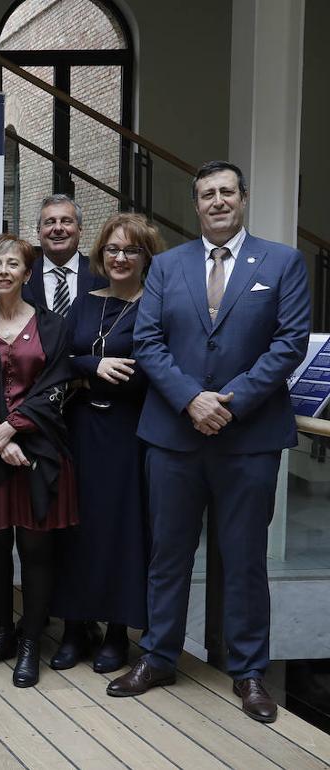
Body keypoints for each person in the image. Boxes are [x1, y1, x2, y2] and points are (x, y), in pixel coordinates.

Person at [108, 161, 310, 724]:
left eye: (226, 192)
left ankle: (248, 671)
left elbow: (289, 342)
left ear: (242, 199)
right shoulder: (167, 266)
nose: (217, 201)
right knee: (167, 554)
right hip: (174, 434)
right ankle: (159, 656)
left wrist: (230, 402)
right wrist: (191, 400)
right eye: (207, 194)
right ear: (196, 205)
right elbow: (147, 341)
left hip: (249, 438)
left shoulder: (282, 262)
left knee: (244, 559)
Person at [0, 233, 77, 689]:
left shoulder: (54, 327)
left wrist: (14, 427)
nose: (3, 271)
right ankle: (2, 632)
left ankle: (29, 642)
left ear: (28, 272)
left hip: (37, 454)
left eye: (12, 264)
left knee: (36, 550)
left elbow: (58, 386)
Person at [49, 214, 164, 673]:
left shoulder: (155, 306)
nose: (120, 258)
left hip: (127, 430)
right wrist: (89, 368)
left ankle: (117, 632)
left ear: (145, 258)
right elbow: (59, 356)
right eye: (113, 249)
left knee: (121, 530)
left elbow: (155, 365)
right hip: (78, 429)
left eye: (130, 250)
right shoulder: (82, 303)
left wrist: (93, 368)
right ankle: (75, 629)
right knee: (76, 527)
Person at [22, 194, 108, 316]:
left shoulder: (102, 273)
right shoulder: (22, 277)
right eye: (50, 222)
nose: (58, 228)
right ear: (38, 232)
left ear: (80, 230)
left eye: (66, 221)